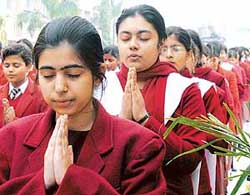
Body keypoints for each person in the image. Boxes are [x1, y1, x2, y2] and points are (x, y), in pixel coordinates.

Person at [0, 16, 166, 194]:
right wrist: (42, 181)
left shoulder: (139, 146)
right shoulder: (10, 138)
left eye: (73, 75)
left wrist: (74, 180)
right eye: (48, 76)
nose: (59, 87)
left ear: (98, 75)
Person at [101, 5, 207, 194]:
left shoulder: (184, 89)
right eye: (125, 38)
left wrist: (146, 120)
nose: (133, 45)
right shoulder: (101, 87)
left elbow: (192, 158)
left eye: (143, 38)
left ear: (161, 43)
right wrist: (121, 123)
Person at [0, 43, 48, 127]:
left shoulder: (41, 94)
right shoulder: (1, 91)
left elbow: (43, 126)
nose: (10, 70)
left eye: (16, 66)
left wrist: (14, 120)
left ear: (29, 67)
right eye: (6, 66)